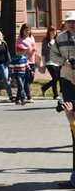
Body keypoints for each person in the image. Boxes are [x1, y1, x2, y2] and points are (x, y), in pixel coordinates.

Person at [50, 11, 75, 188]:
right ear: (65, 24)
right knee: (70, 112)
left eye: (74, 22)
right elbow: (52, 56)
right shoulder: (60, 38)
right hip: (67, 80)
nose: (72, 25)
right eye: (69, 22)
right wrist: (64, 62)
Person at [16, 23, 37, 103]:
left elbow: (34, 46)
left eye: (29, 30)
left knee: (31, 79)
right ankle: (28, 97)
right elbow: (17, 50)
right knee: (27, 79)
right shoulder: (19, 39)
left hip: (32, 60)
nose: (27, 32)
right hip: (24, 61)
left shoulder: (32, 37)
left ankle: (17, 98)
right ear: (22, 30)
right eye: (26, 30)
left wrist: (34, 50)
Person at [41, 26, 61, 99]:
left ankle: (44, 88)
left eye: (55, 31)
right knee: (55, 78)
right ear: (48, 32)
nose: (53, 33)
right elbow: (43, 52)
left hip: (57, 61)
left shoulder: (57, 40)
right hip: (49, 62)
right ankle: (55, 94)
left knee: (57, 78)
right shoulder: (45, 40)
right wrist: (43, 65)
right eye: (52, 31)